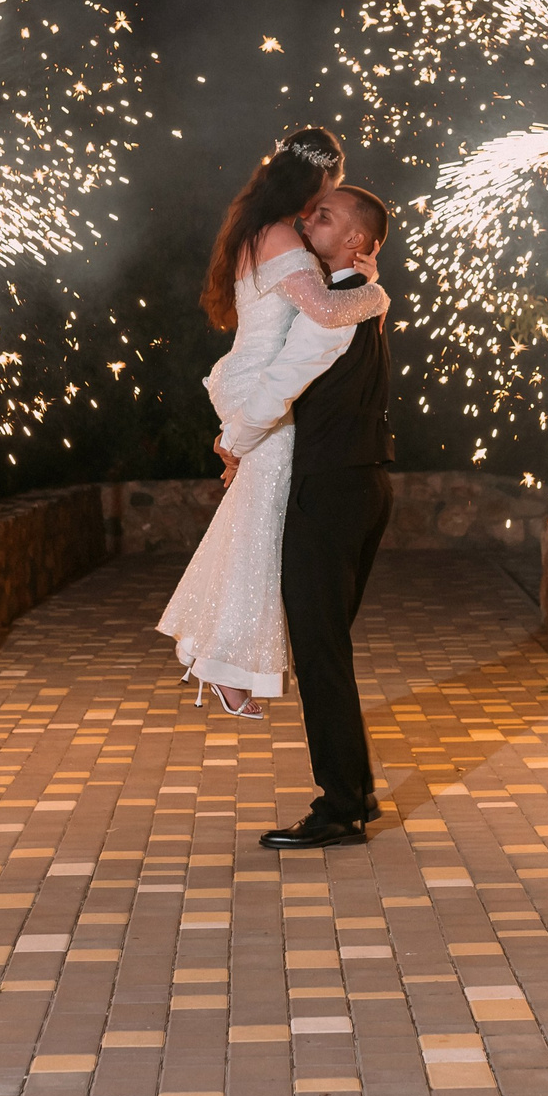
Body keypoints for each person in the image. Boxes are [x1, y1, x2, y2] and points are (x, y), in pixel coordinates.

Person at [156, 130, 386, 719]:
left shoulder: (264, 228)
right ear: (315, 180)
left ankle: (219, 659)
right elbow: (329, 312)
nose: (321, 206)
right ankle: (222, 663)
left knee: (255, 516)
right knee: (262, 518)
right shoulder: (280, 233)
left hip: (256, 384)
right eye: (328, 191)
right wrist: (377, 293)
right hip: (262, 385)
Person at [217, 185, 396, 849]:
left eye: (325, 216)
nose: (307, 219)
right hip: (363, 483)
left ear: (356, 242)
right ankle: (358, 791)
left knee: (322, 651)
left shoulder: (331, 314)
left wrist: (233, 439)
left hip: (330, 490)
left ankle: (341, 807)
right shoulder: (358, 299)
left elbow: (281, 382)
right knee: (329, 649)